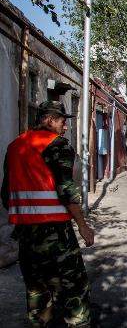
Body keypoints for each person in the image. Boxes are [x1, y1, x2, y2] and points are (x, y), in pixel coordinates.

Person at [1, 101, 94, 328]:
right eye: (63, 122)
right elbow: (66, 190)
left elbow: (5, 195)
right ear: (50, 120)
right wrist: (83, 225)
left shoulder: (14, 147)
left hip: (26, 236)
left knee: (37, 291)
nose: (65, 128)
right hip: (56, 235)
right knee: (74, 289)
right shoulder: (57, 145)